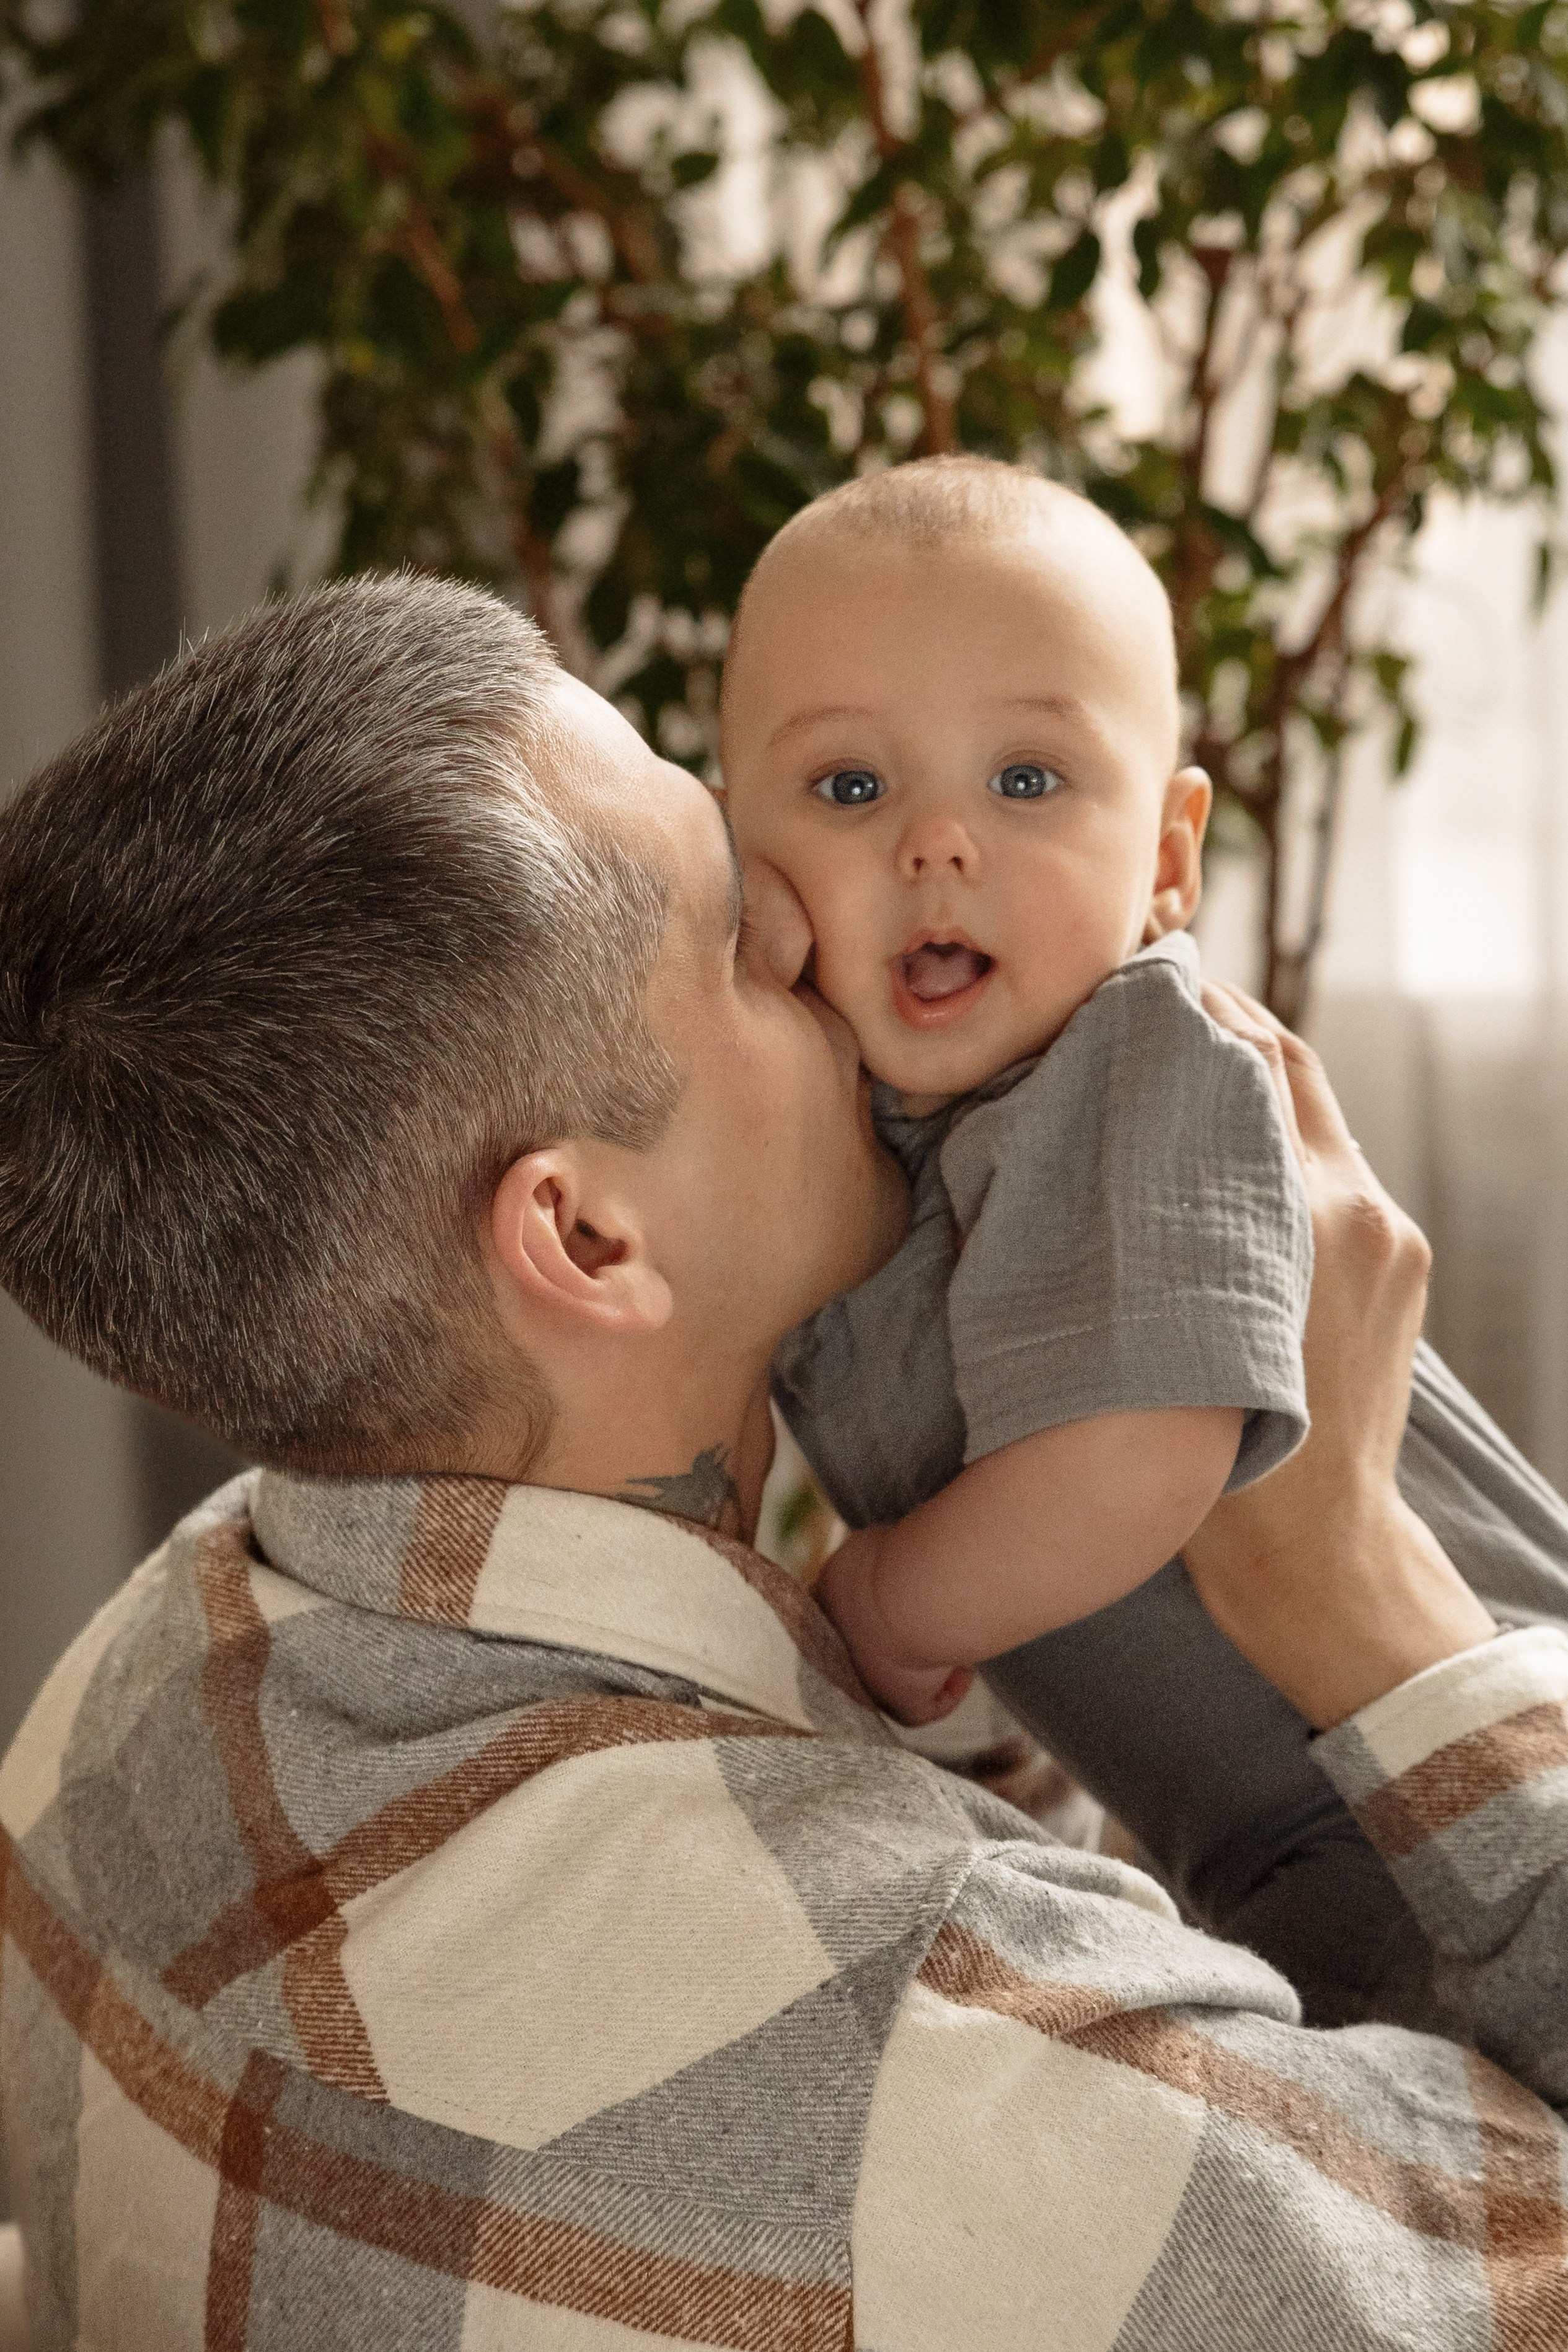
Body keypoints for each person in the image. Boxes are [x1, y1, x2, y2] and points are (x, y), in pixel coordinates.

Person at [0, 573, 1565, 2348]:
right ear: (587, 1239)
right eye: (744, 936)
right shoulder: (961, 2071)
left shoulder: (121, 1696)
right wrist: (1357, 1582)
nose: (831, 932)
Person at [722, 453, 1568, 1779]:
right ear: (735, 853)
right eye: (848, 787)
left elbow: (1132, 1462)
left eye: (1024, 781)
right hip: (1287, 1843)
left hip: (1470, 1757)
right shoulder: (845, 1146)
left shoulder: (1149, 1054)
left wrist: (879, 1602)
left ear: (1166, 861)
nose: (937, 843)